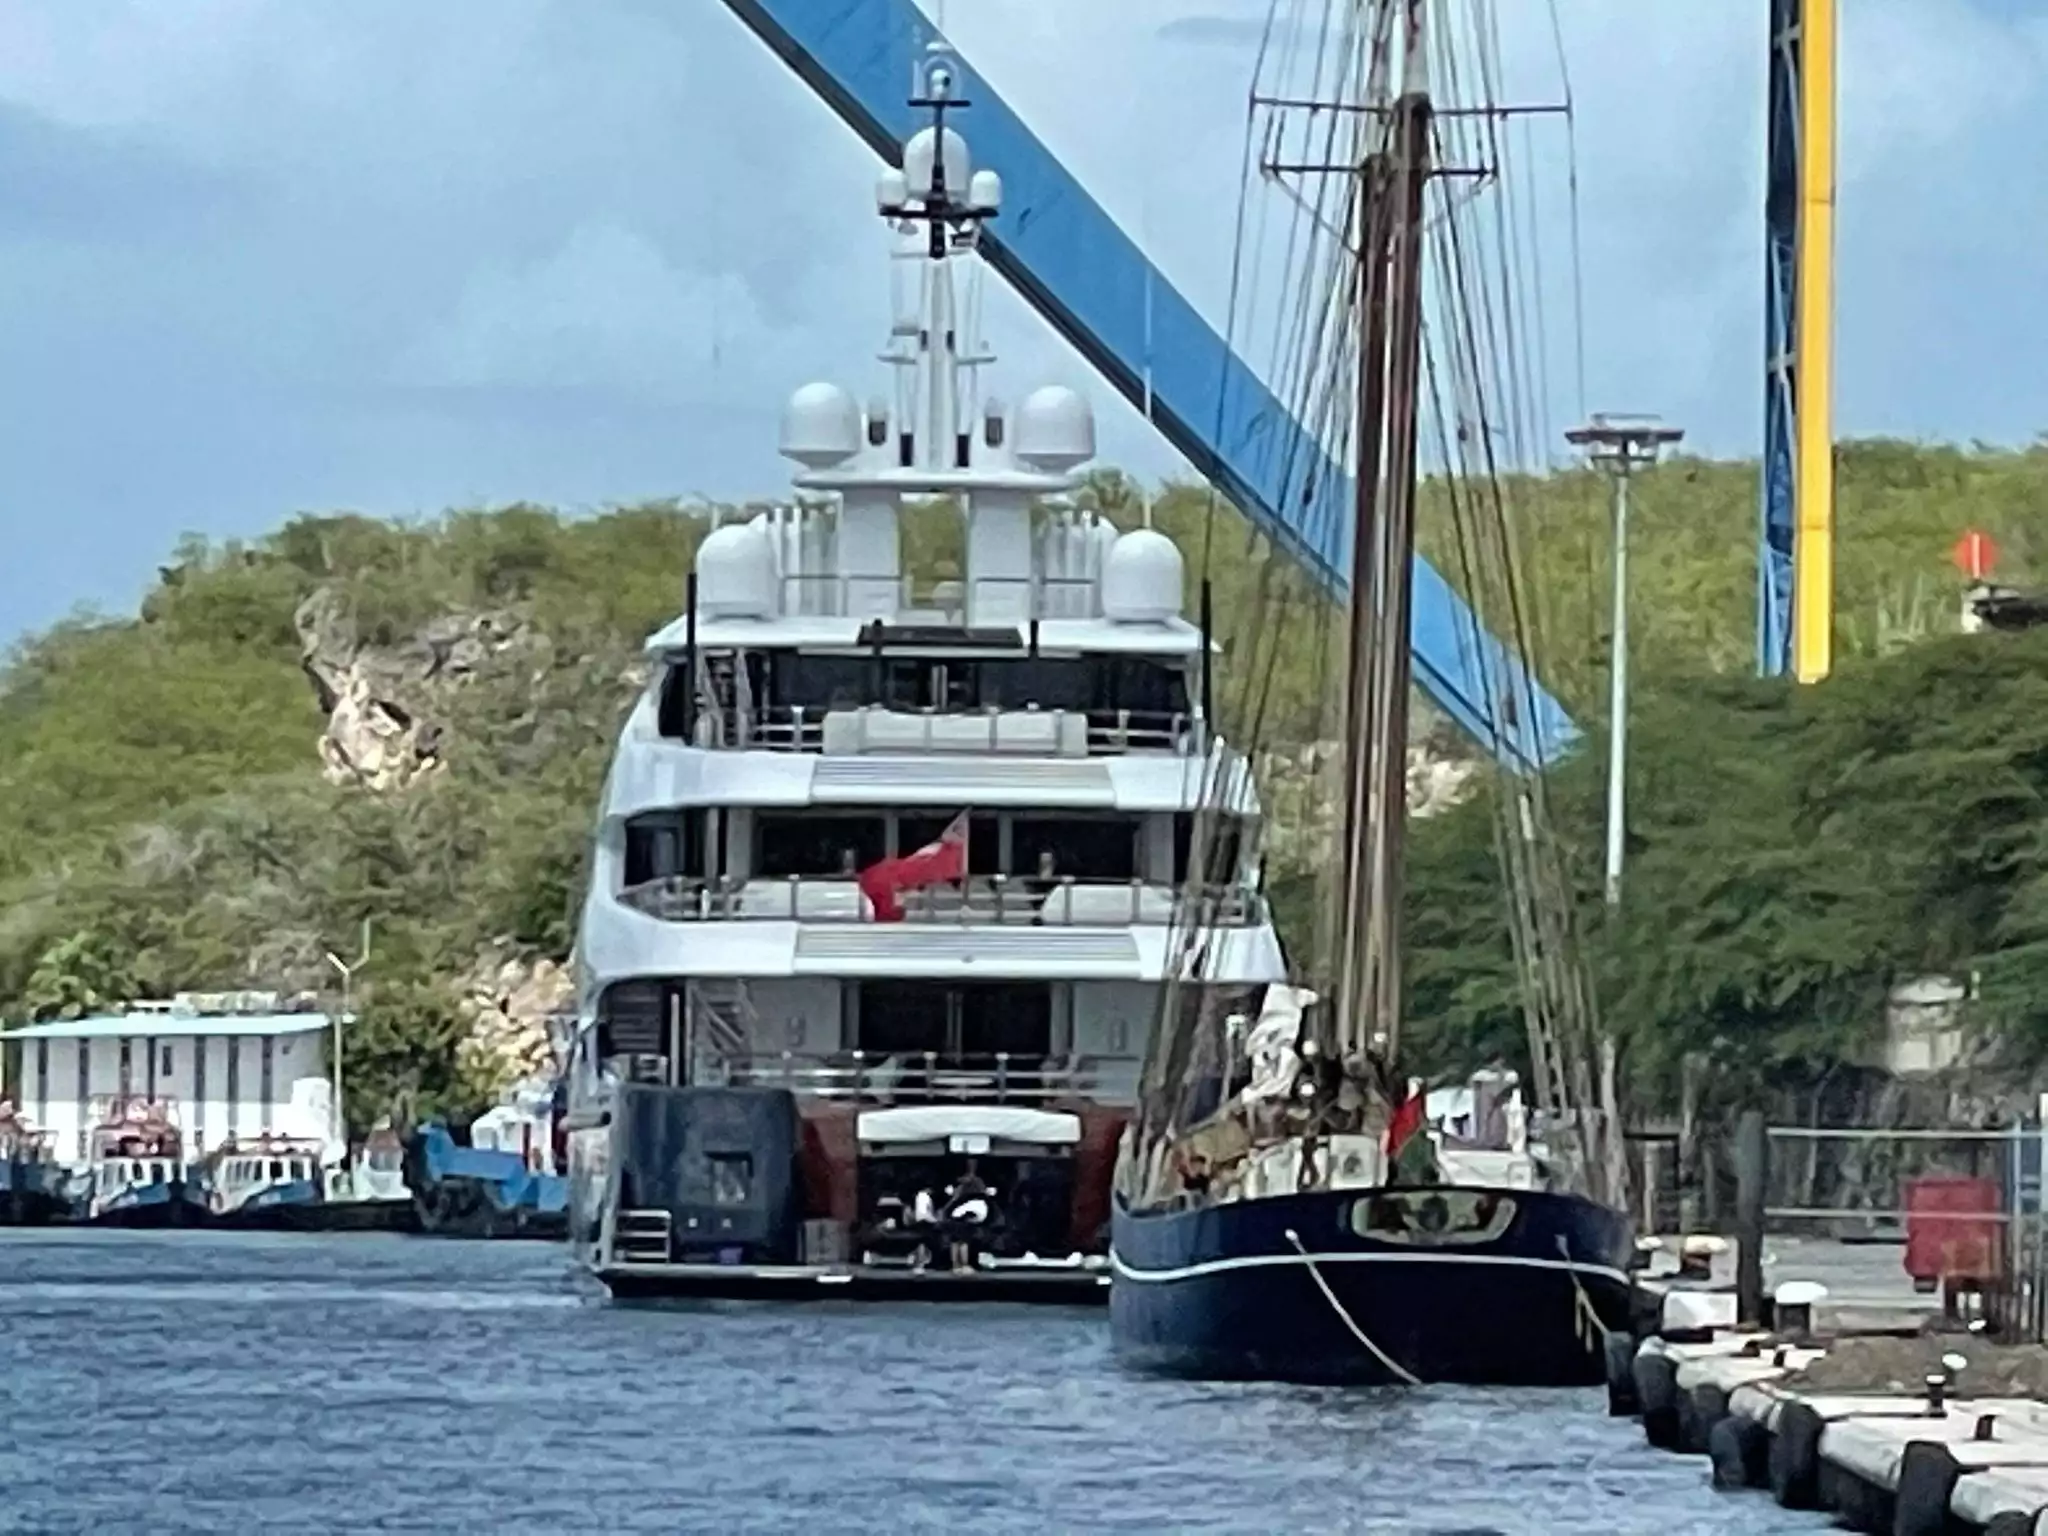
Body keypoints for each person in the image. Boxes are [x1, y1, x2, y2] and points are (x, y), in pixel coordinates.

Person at [940, 1164, 994, 1274]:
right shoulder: (978, 1202)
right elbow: (973, 1216)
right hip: (961, 1220)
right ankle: (964, 1265)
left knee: (955, 1243)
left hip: (956, 1218)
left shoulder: (968, 1198)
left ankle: (956, 1266)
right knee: (963, 1243)